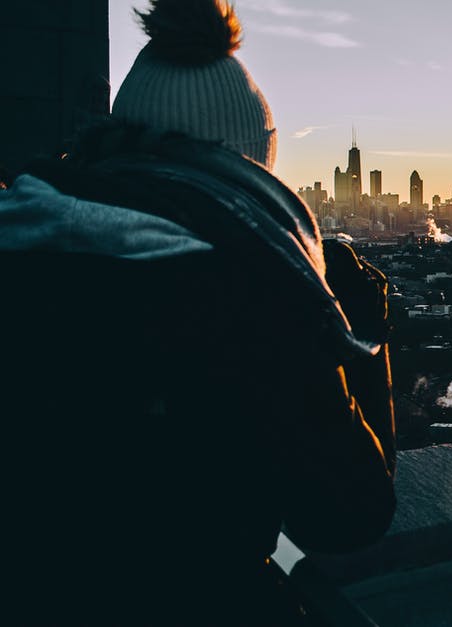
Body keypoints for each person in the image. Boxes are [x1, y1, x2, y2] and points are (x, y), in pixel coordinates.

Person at [0, 0, 396, 623]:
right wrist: (357, 331)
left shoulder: (24, 239)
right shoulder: (252, 288)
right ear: (250, 164)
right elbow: (350, 513)